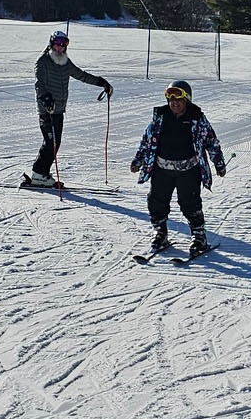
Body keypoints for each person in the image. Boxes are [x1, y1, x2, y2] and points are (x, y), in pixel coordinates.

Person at [130, 80, 226, 256]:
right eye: (171, 98)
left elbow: (211, 141)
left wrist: (218, 163)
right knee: (156, 201)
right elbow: (147, 140)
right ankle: (160, 233)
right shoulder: (160, 117)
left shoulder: (197, 118)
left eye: (178, 98)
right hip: (162, 169)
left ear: (187, 99)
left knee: (189, 203)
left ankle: (199, 237)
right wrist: (138, 160)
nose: (174, 102)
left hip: (188, 170)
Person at [25, 30, 111, 187]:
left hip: (59, 110)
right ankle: (38, 173)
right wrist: (45, 98)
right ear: (52, 44)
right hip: (47, 110)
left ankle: (42, 174)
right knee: (51, 142)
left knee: (55, 143)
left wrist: (101, 82)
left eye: (63, 45)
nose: (60, 48)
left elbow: (81, 75)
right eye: (58, 44)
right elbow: (39, 83)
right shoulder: (43, 61)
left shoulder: (65, 62)